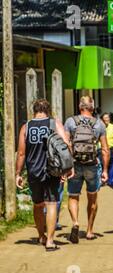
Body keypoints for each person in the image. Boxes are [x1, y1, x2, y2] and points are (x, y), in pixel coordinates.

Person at [15, 99, 72, 251]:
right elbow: (66, 144)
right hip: (52, 170)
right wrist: (68, 167)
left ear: (34, 110)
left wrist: (18, 173)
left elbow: (21, 153)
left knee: (38, 204)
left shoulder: (26, 127)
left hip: (33, 171)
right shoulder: (54, 123)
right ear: (48, 110)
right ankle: (50, 241)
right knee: (52, 203)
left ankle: (41, 236)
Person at [64, 96, 110, 243]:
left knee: (73, 196)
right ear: (92, 107)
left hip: (75, 165)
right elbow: (105, 150)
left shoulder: (71, 121)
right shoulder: (99, 124)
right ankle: (89, 231)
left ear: (79, 106)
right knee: (92, 197)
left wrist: (66, 166)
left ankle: (75, 223)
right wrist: (105, 170)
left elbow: (65, 145)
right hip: (92, 165)